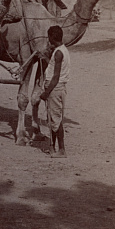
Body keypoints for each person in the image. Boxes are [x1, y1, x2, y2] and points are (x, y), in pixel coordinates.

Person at [39, 25, 70, 158]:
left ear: (52, 37)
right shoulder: (61, 50)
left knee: (56, 120)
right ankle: (52, 146)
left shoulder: (58, 53)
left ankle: (62, 150)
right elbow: (54, 66)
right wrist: (45, 59)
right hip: (57, 88)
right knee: (53, 119)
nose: (48, 39)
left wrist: (46, 92)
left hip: (55, 89)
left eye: (49, 37)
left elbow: (56, 77)